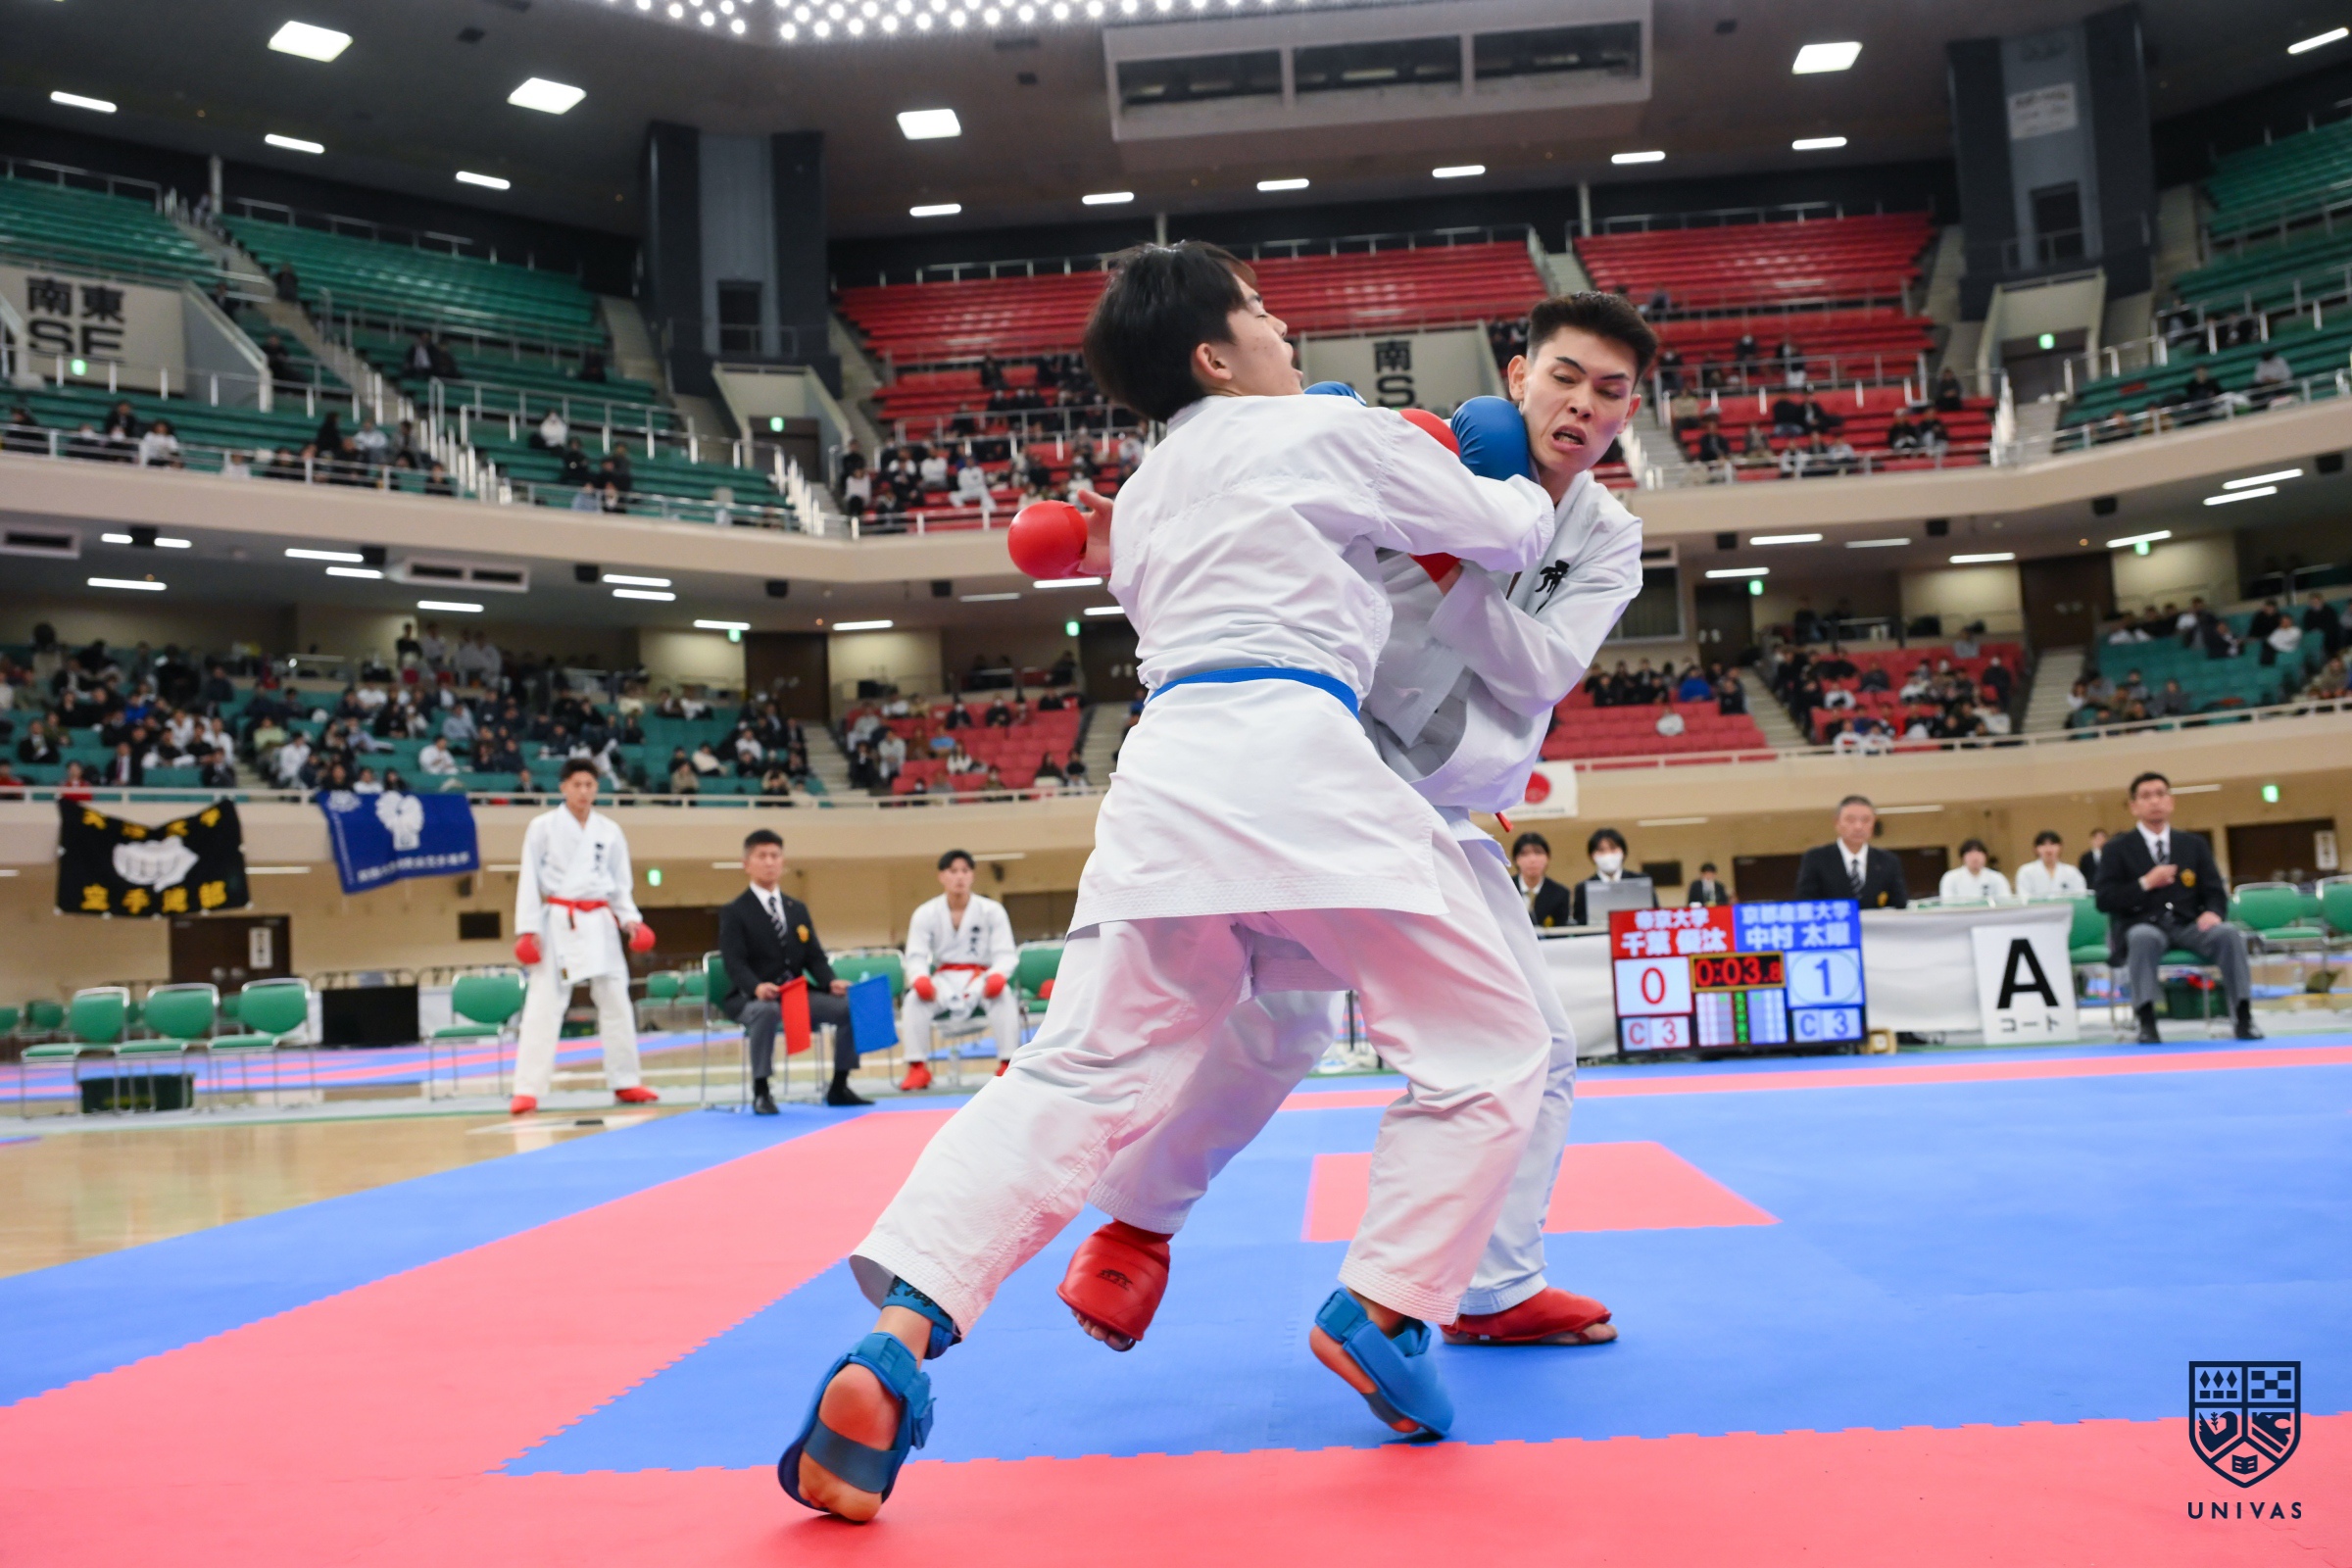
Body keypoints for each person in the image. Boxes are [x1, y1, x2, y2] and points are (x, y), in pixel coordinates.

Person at [781, 241, 1561, 1522]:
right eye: (1259, 312)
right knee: (1491, 1042)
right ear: (1214, 354)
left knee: (1076, 1073)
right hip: (1302, 764)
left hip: (1166, 787)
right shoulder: (1322, 431)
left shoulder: (1144, 494)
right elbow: (1510, 534)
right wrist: (1498, 458)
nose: (1284, 328)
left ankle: (898, 1341)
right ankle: (1384, 1306)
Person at [1062, 289, 1649, 1372]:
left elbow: (1540, 670)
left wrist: (1449, 573)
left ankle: (1483, 1282)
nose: (1582, 405)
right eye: (1565, 376)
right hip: (1326, 768)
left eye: (1609, 392)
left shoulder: (1609, 537)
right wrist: (1131, 524)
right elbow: (1258, 535)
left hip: (1445, 797)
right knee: (1286, 1019)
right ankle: (1138, 1226)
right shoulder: (1404, 448)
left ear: (1628, 413)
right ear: (1518, 376)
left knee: (1516, 1041)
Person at [509, 758, 661, 1116]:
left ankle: (626, 1080)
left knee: (617, 1002)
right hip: (558, 921)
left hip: (600, 922)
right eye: (576, 784)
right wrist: (528, 929)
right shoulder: (542, 827)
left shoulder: (609, 830)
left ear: (597, 788)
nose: (583, 791)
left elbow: (620, 885)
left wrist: (631, 921)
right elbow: (529, 880)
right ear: (563, 787)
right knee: (543, 1005)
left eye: (589, 785)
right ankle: (527, 1088)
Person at [2094, 771, 2260, 1044]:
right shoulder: (2117, 848)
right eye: (2146, 796)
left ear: (2171, 801)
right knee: (2142, 938)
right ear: (2134, 806)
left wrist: (2213, 912)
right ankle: (2146, 1021)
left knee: (2229, 934)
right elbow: (2104, 900)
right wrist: (2145, 883)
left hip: (2189, 924)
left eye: (2160, 794)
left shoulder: (2193, 845)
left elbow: (2215, 891)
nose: (2154, 801)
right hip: (2144, 924)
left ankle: (2243, 1016)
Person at [717, 829, 866, 1111]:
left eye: (775, 855)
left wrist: (830, 982)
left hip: (795, 994)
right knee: (766, 1011)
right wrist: (756, 987)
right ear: (746, 864)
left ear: (783, 862)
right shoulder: (735, 911)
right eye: (762, 856)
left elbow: (815, 957)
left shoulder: (796, 909)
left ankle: (839, 1085)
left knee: (850, 1007)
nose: (769, 862)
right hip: (751, 998)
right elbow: (734, 963)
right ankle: (762, 1090)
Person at [894, 849, 1026, 1090]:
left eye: (965, 871)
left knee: (1005, 997)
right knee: (913, 1001)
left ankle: (1007, 1063)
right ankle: (917, 1067)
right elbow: (916, 955)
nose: (959, 877)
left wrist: (998, 975)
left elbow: (1005, 952)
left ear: (972, 875)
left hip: (981, 977)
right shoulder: (926, 913)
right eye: (953, 871)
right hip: (943, 979)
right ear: (941, 876)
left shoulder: (991, 910)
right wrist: (920, 978)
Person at [1792, 794, 1909, 908]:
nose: (1858, 826)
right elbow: (1805, 903)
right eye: (1850, 820)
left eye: (1866, 820)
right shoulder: (1816, 858)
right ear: (1837, 822)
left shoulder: (1888, 861)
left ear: (1874, 823)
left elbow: (1900, 904)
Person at [1570, 825, 1648, 926]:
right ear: (1592, 856)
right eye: (1601, 850)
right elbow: (1580, 924)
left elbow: (1654, 914)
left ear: (1623, 852)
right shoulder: (1583, 888)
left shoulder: (1640, 881)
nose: (1608, 854)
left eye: (1613, 848)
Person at [1511, 830, 1574, 927]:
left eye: (1538, 853)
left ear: (1548, 858)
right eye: (1525, 854)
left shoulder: (1560, 894)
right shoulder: (1504, 889)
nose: (1532, 859)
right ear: (1516, 860)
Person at [2014, 830, 2087, 899]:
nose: (2048, 850)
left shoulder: (2071, 872)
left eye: (2052, 844)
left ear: (2060, 847)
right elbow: (2023, 897)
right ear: (2035, 849)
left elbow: (2081, 895)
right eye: (2043, 845)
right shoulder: (2026, 871)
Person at [1937, 838, 2010, 902]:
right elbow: (1947, 902)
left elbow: (2005, 901)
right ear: (1962, 857)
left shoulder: (1997, 877)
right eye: (1970, 854)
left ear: (1985, 856)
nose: (1975, 858)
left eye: (1979, 853)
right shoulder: (1950, 878)